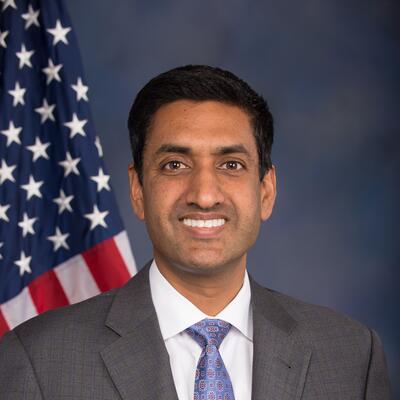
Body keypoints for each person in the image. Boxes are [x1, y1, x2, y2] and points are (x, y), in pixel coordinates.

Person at [0, 65, 391, 399]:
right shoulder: (39, 359)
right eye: (174, 165)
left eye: (231, 165)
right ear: (138, 191)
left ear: (266, 191)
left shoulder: (352, 356)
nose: (204, 196)